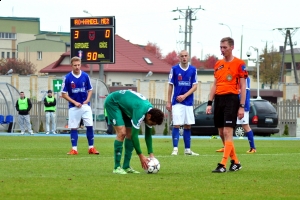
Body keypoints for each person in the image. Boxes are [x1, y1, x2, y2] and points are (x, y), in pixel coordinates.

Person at [206, 37, 248, 173]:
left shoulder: (239, 64)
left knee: (227, 131)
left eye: (224, 47)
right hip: (219, 99)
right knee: (221, 132)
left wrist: (241, 106)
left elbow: (243, 86)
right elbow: (215, 84)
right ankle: (236, 162)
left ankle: (223, 164)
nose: (222, 50)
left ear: (232, 47)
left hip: (231, 99)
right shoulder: (218, 64)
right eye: (221, 47)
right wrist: (209, 103)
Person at [104, 90, 164, 174]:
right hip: (113, 102)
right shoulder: (141, 112)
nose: (151, 125)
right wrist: (141, 156)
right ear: (149, 116)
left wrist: (151, 155)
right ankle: (116, 167)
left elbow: (148, 136)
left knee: (129, 134)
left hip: (126, 107)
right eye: (152, 123)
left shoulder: (150, 112)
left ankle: (126, 166)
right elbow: (135, 136)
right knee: (122, 133)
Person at [61, 56, 99, 155]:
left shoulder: (85, 76)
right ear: (71, 66)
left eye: (78, 65)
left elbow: (90, 89)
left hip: (85, 106)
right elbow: (63, 94)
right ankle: (74, 149)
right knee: (74, 127)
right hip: (73, 107)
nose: (77, 67)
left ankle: (91, 148)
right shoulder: (67, 78)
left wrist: (87, 99)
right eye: (75, 65)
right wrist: (74, 102)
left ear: (80, 65)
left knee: (89, 125)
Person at [166, 50, 199, 156]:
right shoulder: (174, 69)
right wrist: (168, 101)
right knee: (176, 124)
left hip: (188, 102)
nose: (184, 58)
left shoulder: (193, 69)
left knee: (188, 125)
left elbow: (195, 86)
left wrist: (184, 96)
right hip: (177, 102)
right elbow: (170, 85)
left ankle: (187, 150)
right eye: (182, 56)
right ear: (179, 58)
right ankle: (175, 149)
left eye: (186, 56)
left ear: (188, 57)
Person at [216, 77, 256, 154]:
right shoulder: (234, 76)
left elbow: (244, 92)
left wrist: (242, 106)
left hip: (242, 107)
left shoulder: (244, 78)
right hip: (232, 106)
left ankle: (253, 148)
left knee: (245, 126)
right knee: (226, 126)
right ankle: (226, 147)